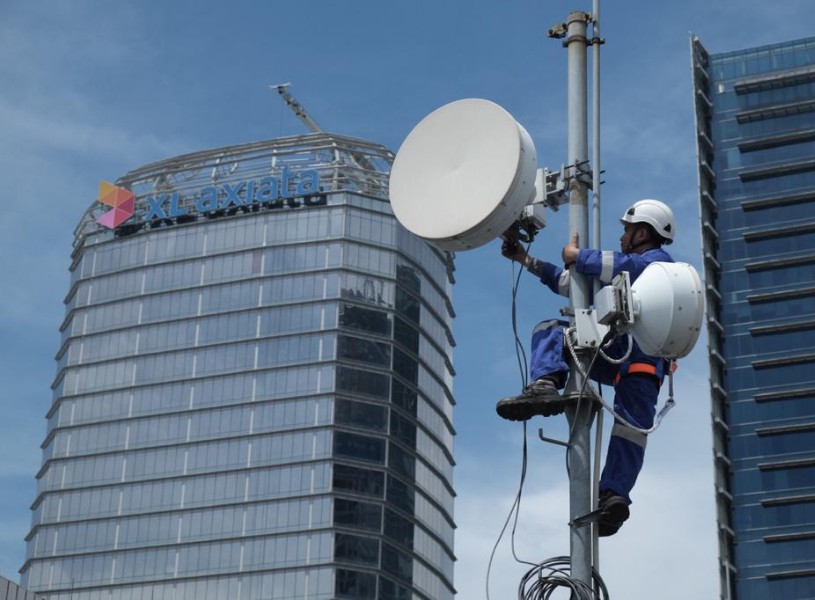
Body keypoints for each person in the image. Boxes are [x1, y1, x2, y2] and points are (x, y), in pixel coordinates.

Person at [497, 199, 676, 536]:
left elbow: (617, 264)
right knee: (630, 433)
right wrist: (526, 260)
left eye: (626, 230)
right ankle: (612, 495)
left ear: (642, 232)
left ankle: (612, 495)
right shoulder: (623, 274)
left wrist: (580, 256)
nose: (622, 236)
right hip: (624, 361)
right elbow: (571, 286)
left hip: (635, 359)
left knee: (629, 434)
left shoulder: (656, 263)